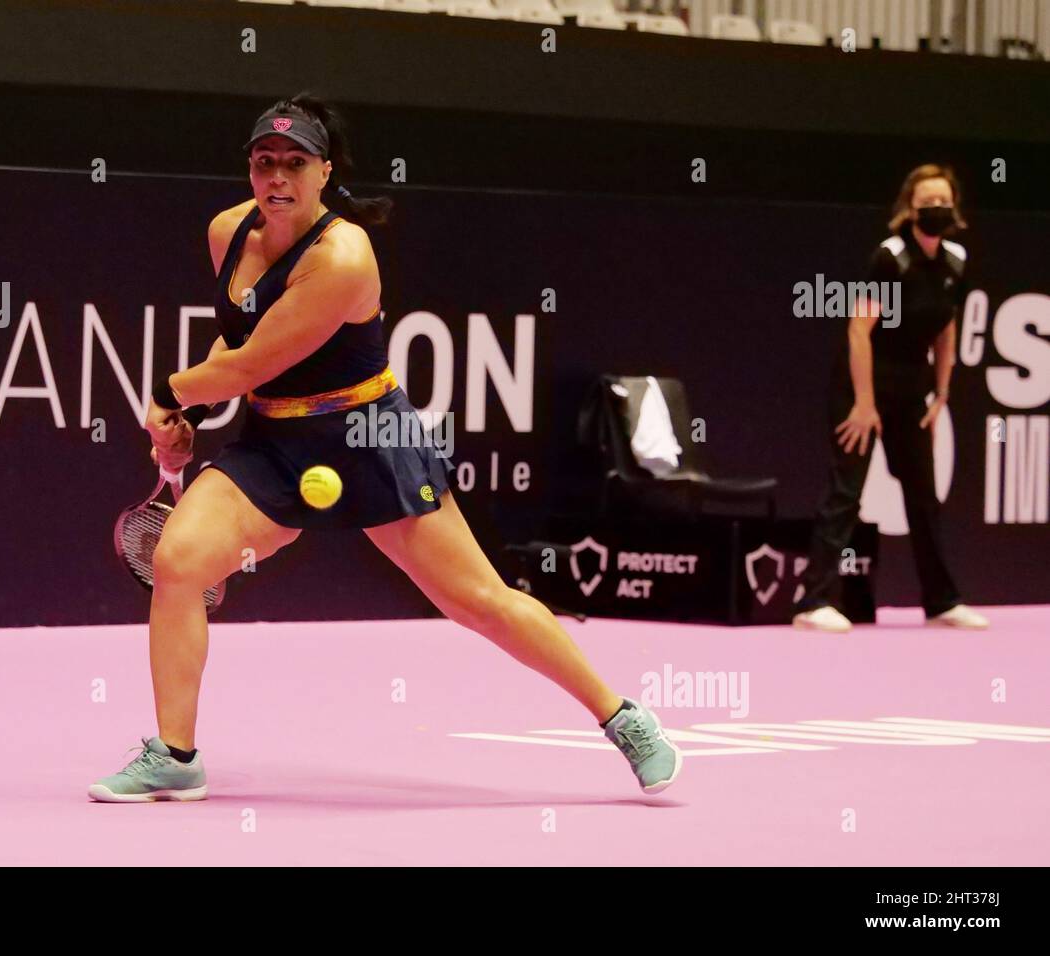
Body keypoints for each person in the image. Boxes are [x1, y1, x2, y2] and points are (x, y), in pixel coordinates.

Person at [88, 93, 682, 801]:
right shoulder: (226, 233)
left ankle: (623, 718)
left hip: (369, 439)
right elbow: (240, 345)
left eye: (295, 164)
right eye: (263, 162)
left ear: (323, 171)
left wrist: (170, 393)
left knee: (480, 601)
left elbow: (249, 365)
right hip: (276, 442)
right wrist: (193, 406)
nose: (277, 177)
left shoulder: (342, 256)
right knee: (179, 561)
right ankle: (175, 755)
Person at [793, 164, 989, 634]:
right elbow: (859, 328)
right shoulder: (889, 258)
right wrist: (864, 403)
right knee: (846, 492)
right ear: (909, 208)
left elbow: (945, 329)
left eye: (944, 202)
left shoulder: (956, 262)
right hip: (861, 386)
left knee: (923, 496)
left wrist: (942, 392)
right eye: (927, 203)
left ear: (955, 208)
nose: (936, 210)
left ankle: (942, 601)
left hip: (911, 391)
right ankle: (813, 601)